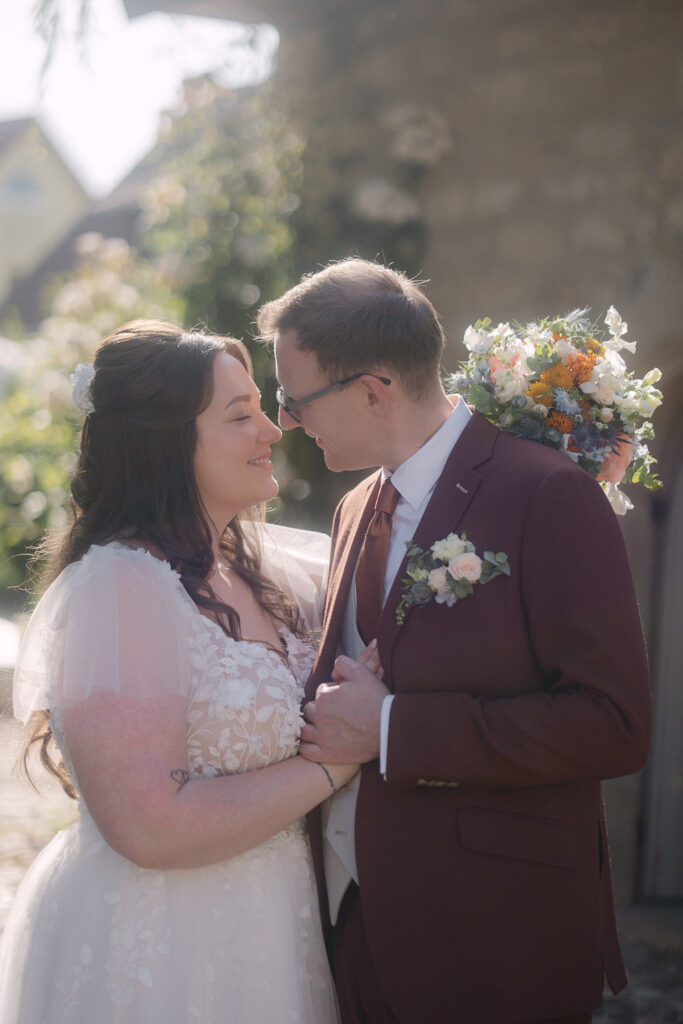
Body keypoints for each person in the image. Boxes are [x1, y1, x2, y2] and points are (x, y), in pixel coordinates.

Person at [257, 259, 652, 1024]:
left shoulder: (545, 493)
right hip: (352, 932)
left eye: (292, 399)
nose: (285, 423)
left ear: (372, 389)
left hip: (495, 934)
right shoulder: (352, 508)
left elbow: (613, 725)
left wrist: (391, 727)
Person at [0, 319, 381, 1024]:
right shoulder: (119, 588)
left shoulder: (268, 569)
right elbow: (149, 828)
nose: (273, 430)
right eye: (242, 416)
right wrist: (335, 766)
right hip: (161, 938)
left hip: (276, 924)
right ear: (165, 443)